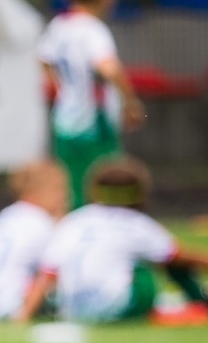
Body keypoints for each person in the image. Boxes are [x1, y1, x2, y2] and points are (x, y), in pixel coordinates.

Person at [16, 157, 208, 324]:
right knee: (154, 264)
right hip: (115, 309)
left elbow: (48, 274)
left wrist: (22, 318)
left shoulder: (75, 220)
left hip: (73, 312)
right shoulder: (134, 223)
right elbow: (181, 257)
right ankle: (206, 305)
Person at [36, 0, 144, 209]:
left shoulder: (60, 25)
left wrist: (61, 89)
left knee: (72, 188)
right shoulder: (93, 30)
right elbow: (109, 69)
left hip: (65, 118)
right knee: (108, 186)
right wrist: (130, 103)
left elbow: (43, 58)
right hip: (95, 121)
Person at [0, 160, 68, 321]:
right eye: (58, 190)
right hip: (9, 306)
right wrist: (22, 317)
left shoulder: (7, 215)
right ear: (37, 192)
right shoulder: (41, 223)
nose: (63, 197)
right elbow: (50, 273)